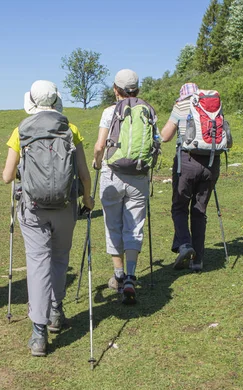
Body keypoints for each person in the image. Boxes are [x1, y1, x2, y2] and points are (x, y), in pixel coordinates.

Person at [2, 80, 93, 356]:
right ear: (55, 102)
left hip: (33, 208)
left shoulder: (21, 130)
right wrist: (87, 199)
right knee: (60, 258)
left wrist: (23, 174)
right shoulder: (70, 129)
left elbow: (7, 176)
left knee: (37, 263)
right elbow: (84, 173)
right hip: (66, 205)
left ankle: (39, 333)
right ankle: (56, 311)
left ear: (31, 101)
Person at [92, 69, 158, 304]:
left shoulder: (109, 112)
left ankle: (118, 275)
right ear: (137, 88)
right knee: (134, 225)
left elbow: (100, 145)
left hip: (113, 173)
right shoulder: (149, 110)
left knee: (113, 224)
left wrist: (97, 163)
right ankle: (131, 276)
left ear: (115, 89)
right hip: (139, 175)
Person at [160, 82, 219, 272]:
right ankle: (198, 260)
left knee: (179, 207)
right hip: (211, 162)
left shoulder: (181, 106)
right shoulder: (213, 107)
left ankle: (185, 245)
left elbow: (165, 136)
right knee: (199, 210)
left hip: (187, 161)